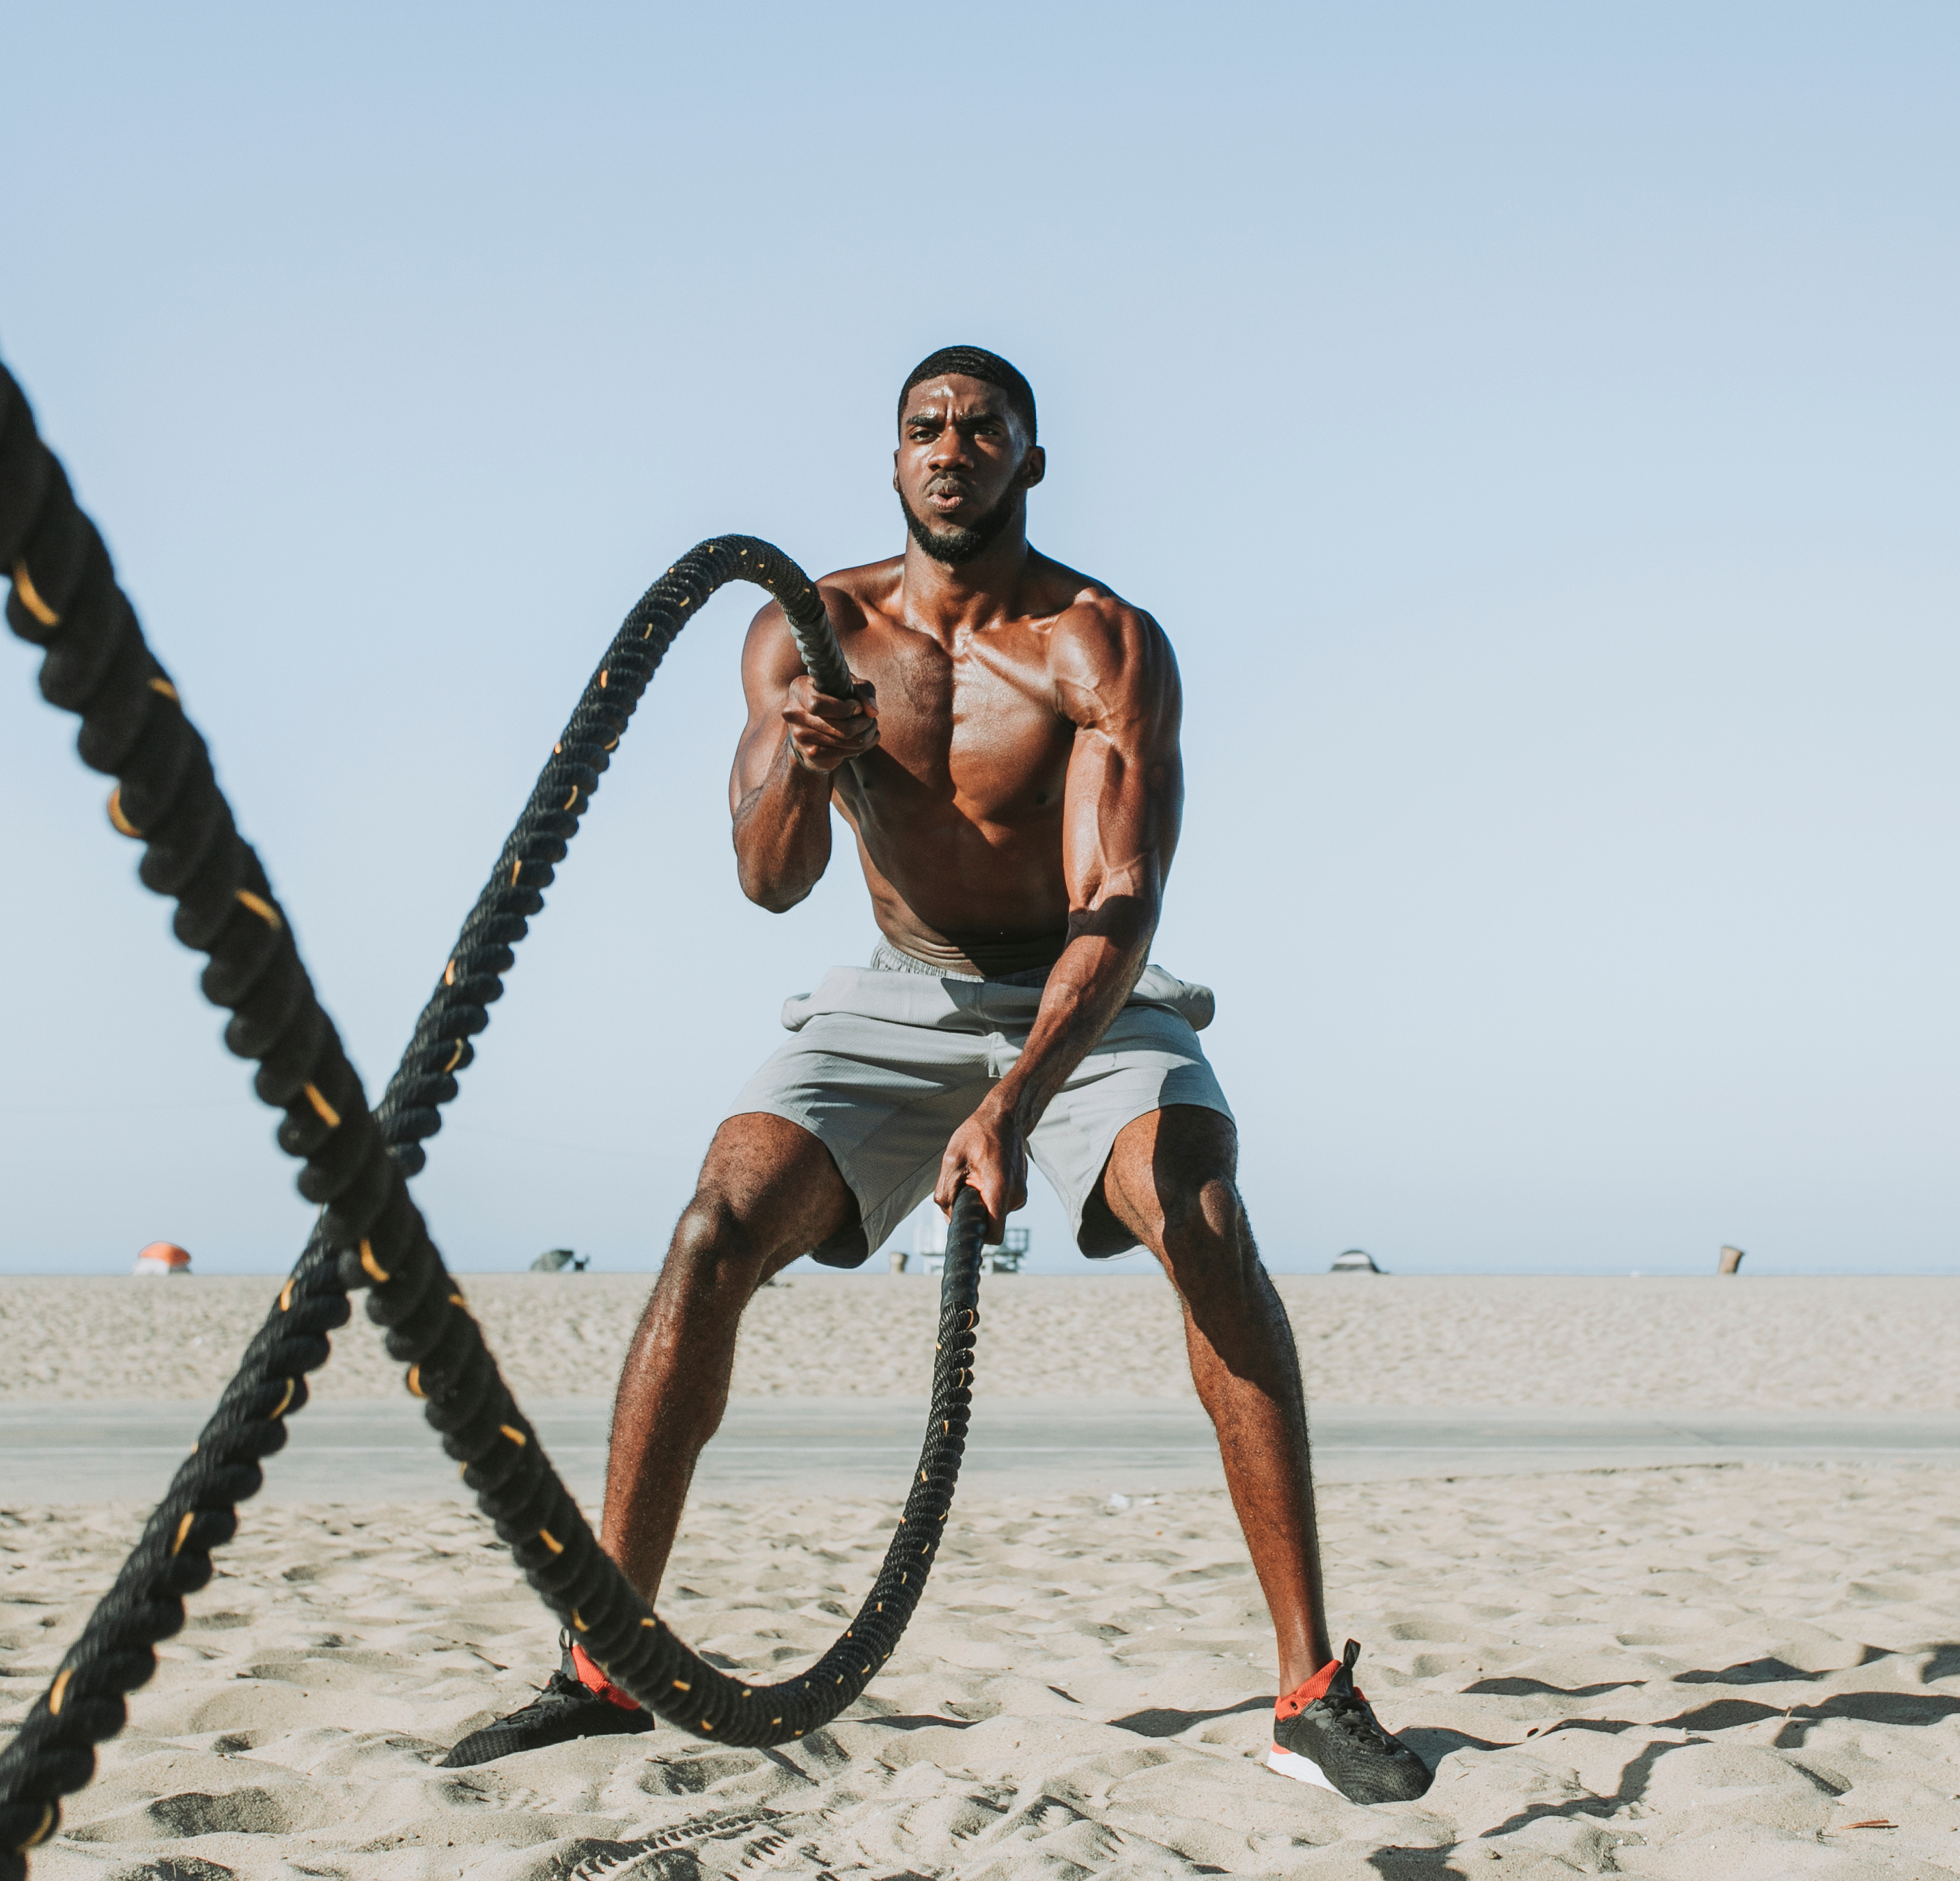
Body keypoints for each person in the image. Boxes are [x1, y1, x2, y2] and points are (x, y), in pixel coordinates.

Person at [441, 346, 1429, 1804]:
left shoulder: (1100, 643)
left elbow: (1120, 897)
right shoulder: (811, 630)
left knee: (1204, 1218)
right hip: (900, 990)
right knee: (714, 1224)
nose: (950, 449)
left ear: (1029, 460)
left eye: (981, 429)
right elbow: (769, 881)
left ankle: (1306, 1693)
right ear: (893, 456)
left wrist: (1013, 1103)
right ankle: (600, 1666)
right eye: (925, 428)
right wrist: (802, 763)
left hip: (1086, 995)